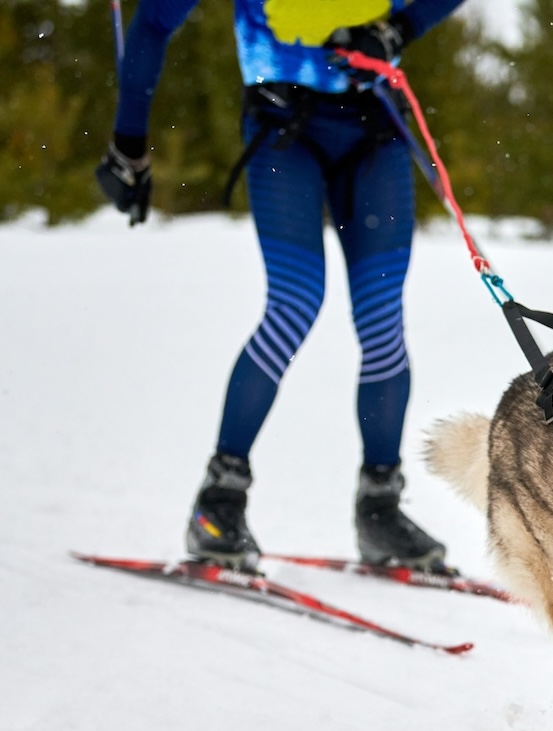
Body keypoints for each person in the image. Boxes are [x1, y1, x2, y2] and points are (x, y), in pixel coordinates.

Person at [95, 0, 468, 571]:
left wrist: (400, 27)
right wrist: (127, 142)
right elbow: (152, 22)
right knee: (295, 302)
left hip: (373, 129)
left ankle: (379, 508)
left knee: (381, 319)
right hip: (283, 129)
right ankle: (219, 498)